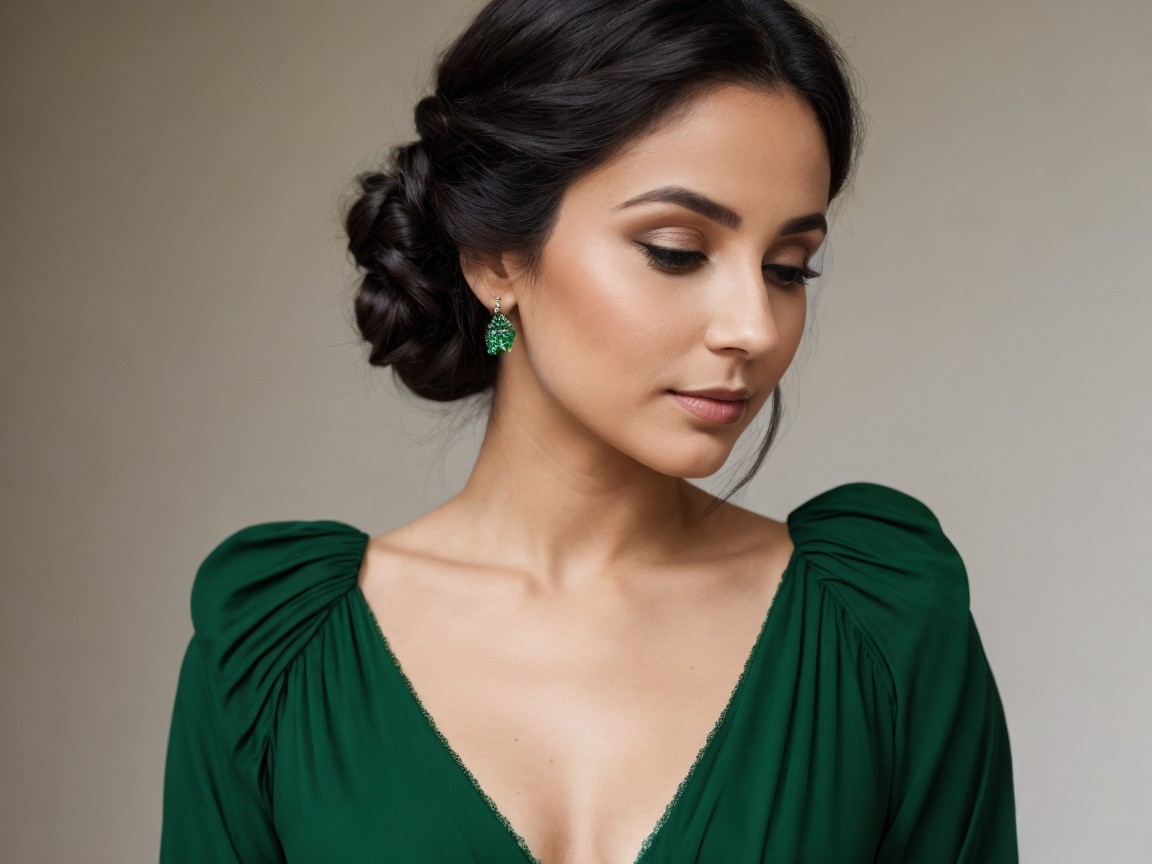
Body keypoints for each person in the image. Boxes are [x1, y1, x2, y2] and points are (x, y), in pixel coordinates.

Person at [159, 1, 1018, 861]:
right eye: (677, 250)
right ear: (496, 257)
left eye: (788, 269)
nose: (754, 327)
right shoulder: (275, 657)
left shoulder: (884, 630)